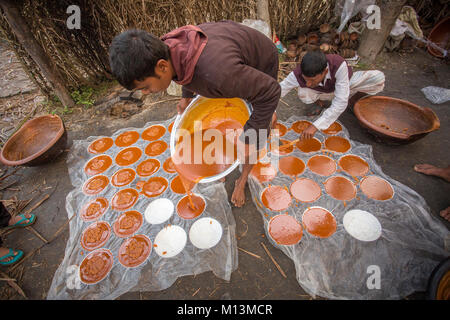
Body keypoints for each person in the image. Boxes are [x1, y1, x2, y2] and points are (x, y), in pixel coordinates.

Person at [109, 21, 281, 207]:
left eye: (146, 87)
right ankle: (259, 122)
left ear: (162, 67)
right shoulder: (166, 47)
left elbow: (271, 91)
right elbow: (184, 68)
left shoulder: (219, 74)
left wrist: (249, 137)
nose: (145, 93)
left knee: (256, 133)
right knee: (249, 108)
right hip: (234, 63)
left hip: (260, 63)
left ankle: (243, 179)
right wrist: (187, 96)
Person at [279, 50, 385, 140]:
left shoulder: (338, 65)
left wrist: (315, 126)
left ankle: (354, 99)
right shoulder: (297, 73)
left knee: (377, 78)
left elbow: (340, 102)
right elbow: (279, 90)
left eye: (312, 80)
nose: (308, 84)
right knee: (304, 92)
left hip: (344, 85)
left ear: (325, 72)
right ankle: (319, 103)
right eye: (306, 79)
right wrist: (271, 112)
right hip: (322, 91)